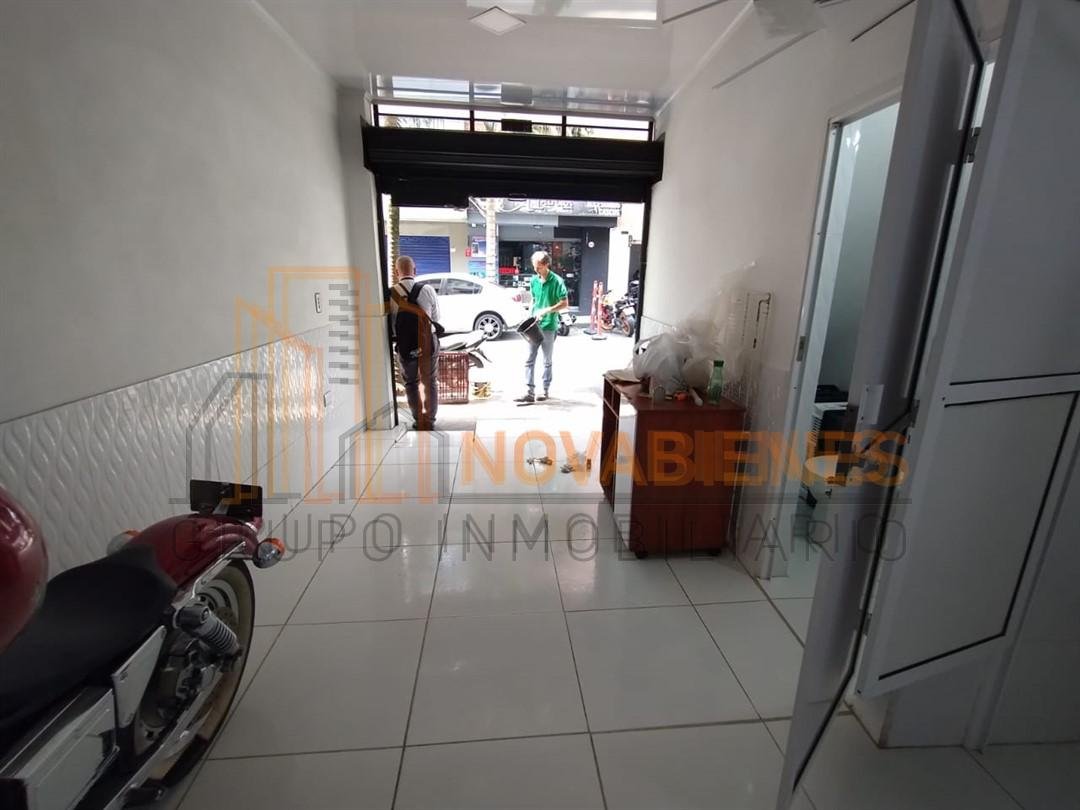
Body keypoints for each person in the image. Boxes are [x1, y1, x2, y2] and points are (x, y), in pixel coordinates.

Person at [388, 256, 442, 429]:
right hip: (428, 343)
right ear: (415, 271)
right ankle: (430, 420)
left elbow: (390, 325)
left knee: (411, 383)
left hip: (405, 345)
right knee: (430, 381)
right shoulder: (427, 290)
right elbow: (436, 318)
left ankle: (419, 420)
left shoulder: (391, 293)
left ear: (396, 272)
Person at [515, 250, 568, 403]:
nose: (536, 270)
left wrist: (547, 310)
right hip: (534, 325)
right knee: (529, 359)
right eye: (534, 267)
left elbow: (564, 303)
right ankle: (529, 392)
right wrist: (530, 313)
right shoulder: (534, 281)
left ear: (546, 265)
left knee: (547, 361)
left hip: (549, 326)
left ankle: (545, 390)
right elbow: (534, 299)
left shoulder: (557, 281)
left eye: (539, 267)